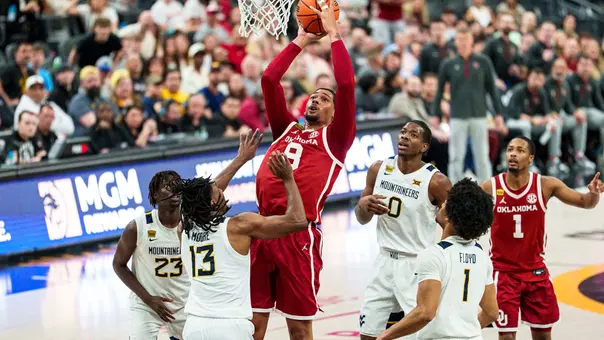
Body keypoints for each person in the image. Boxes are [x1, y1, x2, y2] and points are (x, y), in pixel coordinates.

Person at [252, 0, 356, 338]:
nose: (316, 100)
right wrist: (300, 40)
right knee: (252, 326)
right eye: (313, 96)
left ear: (334, 113)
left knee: (299, 329)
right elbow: (269, 79)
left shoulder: (336, 138)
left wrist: (334, 35)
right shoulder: (286, 128)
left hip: (298, 234)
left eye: (325, 99)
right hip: (262, 227)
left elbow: (347, 85)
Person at [113, 129, 264, 339]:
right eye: (168, 187)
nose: (174, 190)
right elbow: (118, 264)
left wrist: (241, 159)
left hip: (183, 302)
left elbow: (213, 187)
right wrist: (148, 298)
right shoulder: (138, 226)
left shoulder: (190, 221)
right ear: (155, 195)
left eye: (177, 186)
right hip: (146, 303)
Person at [480, 136, 604, 340]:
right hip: (504, 273)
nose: (512, 154)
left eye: (519, 150)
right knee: (507, 337)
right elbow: (463, 210)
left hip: (535, 271)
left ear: (530, 159)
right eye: (510, 149)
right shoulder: (491, 186)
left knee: (543, 336)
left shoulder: (546, 185)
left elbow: (584, 202)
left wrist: (594, 195)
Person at [178, 150, 308, 339]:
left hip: (194, 326)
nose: (222, 190)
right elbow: (298, 221)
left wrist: (241, 159)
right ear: (213, 202)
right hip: (230, 326)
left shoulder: (184, 229)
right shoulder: (239, 226)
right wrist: (288, 179)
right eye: (218, 192)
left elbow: (203, 197)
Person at [355, 120, 452, 340]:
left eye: (413, 135)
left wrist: (443, 259)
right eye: (402, 132)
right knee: (368, 333)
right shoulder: (378, 169)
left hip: (416, 264)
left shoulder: (436, 181)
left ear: (424, 146)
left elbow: (454, 224)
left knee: (420, 335)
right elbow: (361, 219)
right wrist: (362, 206)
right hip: (384, 261)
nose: (405, 137)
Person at [376, 178, 499, 340]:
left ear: (450, 216)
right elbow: (491, 312)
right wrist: (465, 331)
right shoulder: (482, 257)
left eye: (447, 203)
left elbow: (425, 313)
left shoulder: (434, 255)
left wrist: (385, 336)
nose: (441, 205)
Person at [434, 27, 504, 184]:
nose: (464, 42)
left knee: (482, 155)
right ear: (456, 42)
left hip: (479, 114)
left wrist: (498, 114)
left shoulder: (483, 61)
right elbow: (439, 90)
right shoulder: (448, 64)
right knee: (456, 155)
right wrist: (436, 114)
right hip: (457, 115)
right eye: (460, 39)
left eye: (466, 39)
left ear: (472, 41)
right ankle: (454, 190)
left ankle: (486, 189)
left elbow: (492, 90)